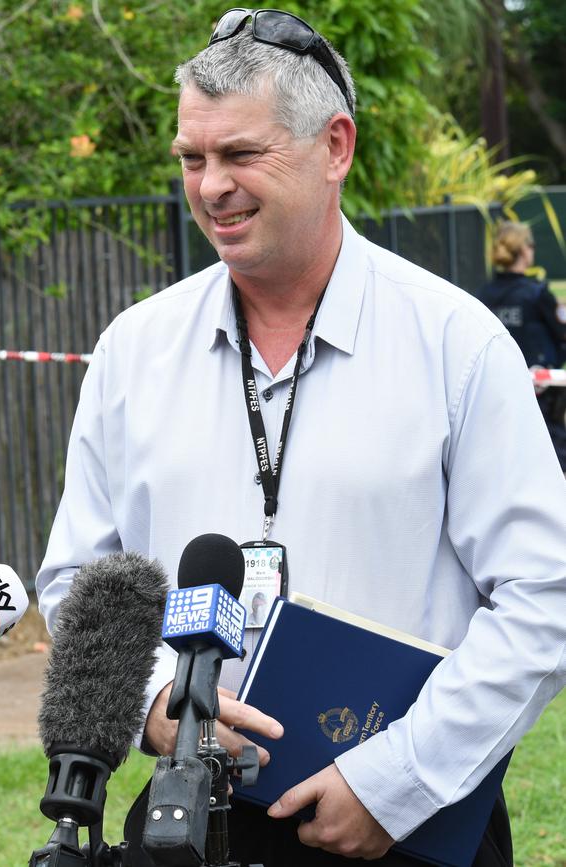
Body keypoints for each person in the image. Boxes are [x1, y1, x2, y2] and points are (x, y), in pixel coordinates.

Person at [36, 9, 566, 866]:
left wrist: (395, 781)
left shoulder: (456, 346)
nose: (211, 185)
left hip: (406, 828)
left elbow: (547, 592)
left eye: (241, 154)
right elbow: (80, 582)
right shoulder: (132, 350)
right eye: (192, 158)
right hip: (182, 816)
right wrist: (155, 697)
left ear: (335, 147)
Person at [478, 220, 566, 471]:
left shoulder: (482, 296)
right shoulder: (537, 294)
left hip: (498, 392)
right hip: (544, 397)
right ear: (524, 251)